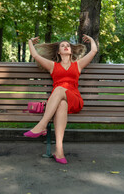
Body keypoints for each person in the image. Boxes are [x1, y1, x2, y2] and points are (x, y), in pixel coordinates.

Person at [24, 34, 97, 164]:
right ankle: (59, 151)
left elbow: (93, 51)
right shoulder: (53, 66)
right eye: (62, 46)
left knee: (59, 89)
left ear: (71, 50)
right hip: (59, 101)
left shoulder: (78, 64)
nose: (66, 47)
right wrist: (30, 42)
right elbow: (35, 56)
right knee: (62, 103)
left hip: (74, 99)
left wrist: (91, 40)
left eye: (68, 45)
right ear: (58, 51)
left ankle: (42, 125)